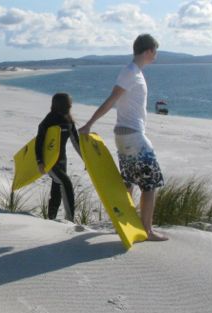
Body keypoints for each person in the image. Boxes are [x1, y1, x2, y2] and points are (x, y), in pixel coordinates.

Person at [78, 34, 168, 241]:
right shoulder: (130, 73)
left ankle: (126, 225)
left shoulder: (134, 72)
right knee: (150, 184)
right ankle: (147, 230)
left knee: (129, 182)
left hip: (125, 136)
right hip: (133, 137)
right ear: (148, 51)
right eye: (155, 51)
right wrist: (89, 124)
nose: (156, 56)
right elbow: (112, 99)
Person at [35, 93, 80, 222]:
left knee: (57, 190)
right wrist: (40, 162)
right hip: (50, 161)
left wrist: (87, 161)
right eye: (68, 103)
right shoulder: (48, 120)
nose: (71, 105)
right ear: (62, 104)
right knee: (66, 184)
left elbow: (76, 142)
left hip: (62, 160)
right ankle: (70, 219)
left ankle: (51, 218)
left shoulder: (68, 120)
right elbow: (39, 143)